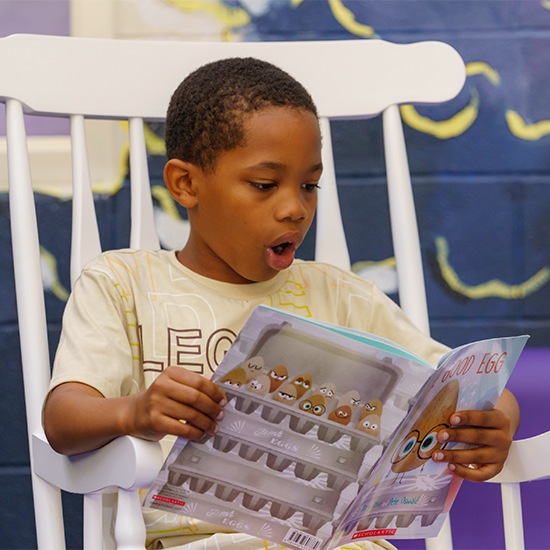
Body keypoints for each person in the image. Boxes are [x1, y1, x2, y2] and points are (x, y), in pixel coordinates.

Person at [43, 57, 518, 550]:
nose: (296, 207)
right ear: (186, 184)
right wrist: (135, 413)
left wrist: (492, 425)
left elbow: (479, 387)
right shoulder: (124, 284)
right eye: (265, 185)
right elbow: (63, 419)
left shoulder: (340, 295)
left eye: (310, 185)